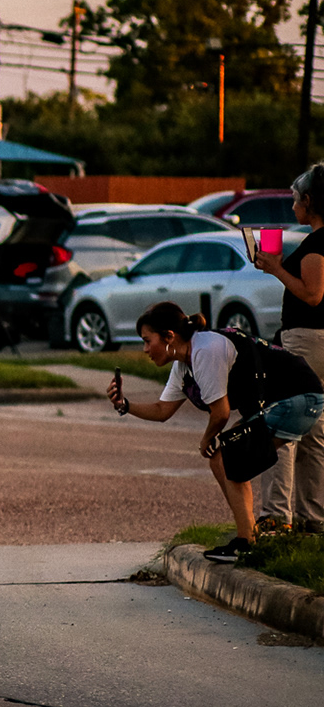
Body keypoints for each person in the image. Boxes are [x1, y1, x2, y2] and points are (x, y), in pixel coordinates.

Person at [109, 301, 324, 563]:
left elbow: (220, 412)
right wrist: (125, 404)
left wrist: (207, 439)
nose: (144, 350)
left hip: (299, 397)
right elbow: (162, 410)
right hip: (283, 400)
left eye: (147, 341)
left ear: (169, 336)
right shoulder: (183, 364)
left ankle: (246, 542)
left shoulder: (206, 349)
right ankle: (249, 538)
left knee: (226, 456)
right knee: (223, 458)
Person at [250, 162, 324, 535]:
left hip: (307, 340)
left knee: (285, 422)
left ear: (309, 200)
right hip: (318, 341)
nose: (293, 205)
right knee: (316, 429)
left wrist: (277, 269)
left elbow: (313, 295)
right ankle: (314, 517)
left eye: (296, 199)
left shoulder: (317, 244)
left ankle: (277, 516)